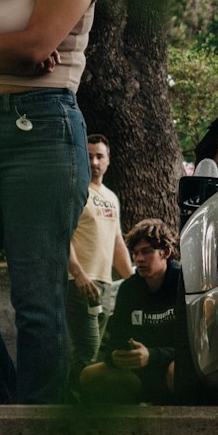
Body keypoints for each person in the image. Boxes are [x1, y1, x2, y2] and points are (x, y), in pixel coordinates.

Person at [0, 0, 97, 403]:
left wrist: (23, 51)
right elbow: (28, 47)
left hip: (40, 130)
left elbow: (37, 46)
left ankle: (33, 426)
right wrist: (14, 53)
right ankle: (10, 410)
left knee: (36, 296)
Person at [78, 219, 179, 404]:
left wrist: (152, 355)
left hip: (170, 368)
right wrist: (116, 356)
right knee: (90, 375)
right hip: (137, 374)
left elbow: (194, 349)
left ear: (165, 252)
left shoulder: (183, 283)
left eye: (147, 252)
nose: (139, 259)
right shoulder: (129, 288)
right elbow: (114, 341)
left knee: (179, 372)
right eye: (135, 253)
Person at [67, 133, 133, 382]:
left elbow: (117, 243)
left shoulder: (111, 197)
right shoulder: (75, 190)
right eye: (89, 156)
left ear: (108, 160)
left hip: (105, 284)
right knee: (88, 350)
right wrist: (78, 274)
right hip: (80, 283)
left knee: (95, 353)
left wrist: (134, 279)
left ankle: (73, 404)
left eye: (99, 156)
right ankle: (76, 409)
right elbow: (62, 237)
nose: (94, 162)